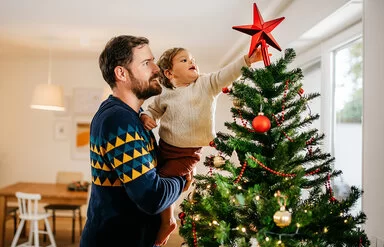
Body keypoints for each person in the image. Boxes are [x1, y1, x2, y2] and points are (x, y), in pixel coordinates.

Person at [140, 47, 264, 245]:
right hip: (165, 148)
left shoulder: (205, 84)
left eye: (192, 59)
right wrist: (146, 116)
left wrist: (248, 60)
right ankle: (160, 214)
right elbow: (153, 109)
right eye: (184, 60)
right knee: (154, 175)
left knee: (163, 181)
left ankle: (168, 221)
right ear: (169, 73)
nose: (192, 61)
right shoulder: (165, 93)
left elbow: (227, 74)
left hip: (187, 153)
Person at [80, 35, 187, 247]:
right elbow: (152, 198)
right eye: (146, 63)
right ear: (121, 73)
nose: (156, 69)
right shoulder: (118, 119)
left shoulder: (134, 117)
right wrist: (182, 180)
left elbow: (153, 175)